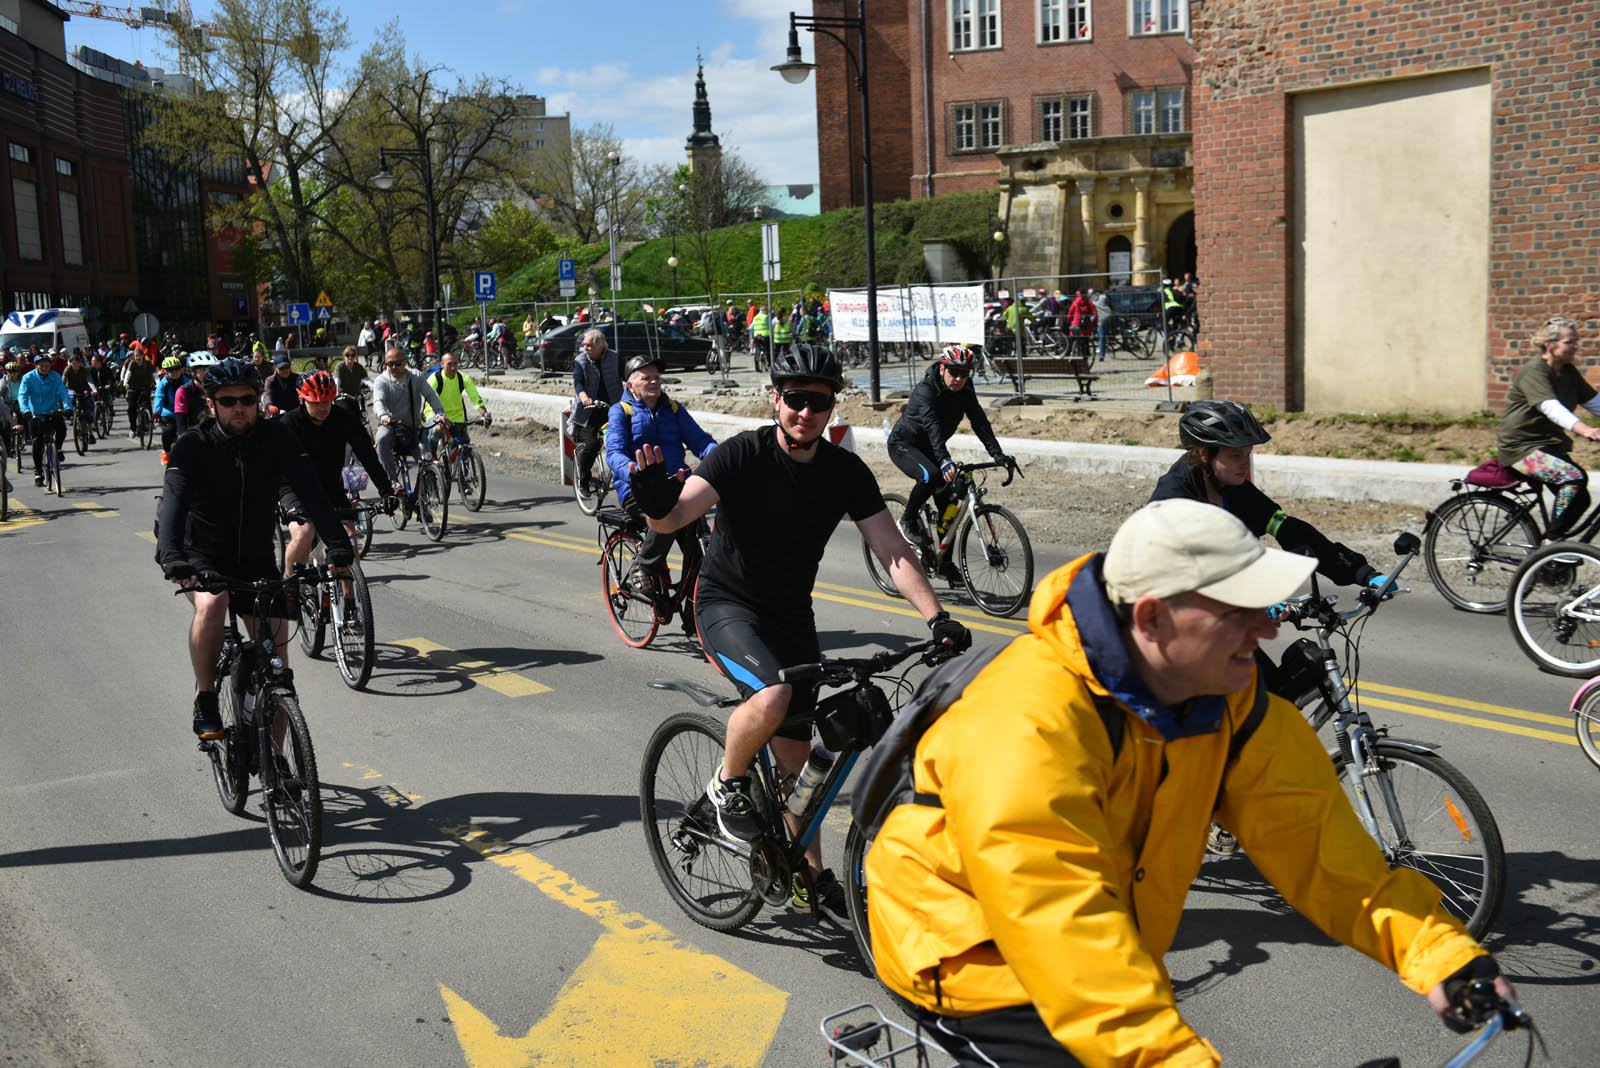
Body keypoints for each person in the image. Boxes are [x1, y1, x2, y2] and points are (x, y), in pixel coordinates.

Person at [866, 498, 1513, 1066]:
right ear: (1150, 619)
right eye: (1241, 611)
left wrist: (1440, 955)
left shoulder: (1226, 697)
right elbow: (1059, 921)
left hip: (1096, 949)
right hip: (972, 951)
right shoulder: (1028, 721)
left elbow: (1321, 849)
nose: (1268, 628)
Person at [626, 343, 972, 919]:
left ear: (832, 407)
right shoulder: (742, 455)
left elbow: (892, 550)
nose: (804, 412)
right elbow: (678, 514)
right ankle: (728, 784)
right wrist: (655, 506)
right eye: (793, 399)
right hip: (727, 606)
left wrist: (936, 617)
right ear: (775, 399)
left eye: (817, 402)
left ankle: (808, 876)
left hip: (791, 617)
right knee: (773, 694)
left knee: (800, 767)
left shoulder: (843, 472)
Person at [156, 358, 354, 739]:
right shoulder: (192, 445)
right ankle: (206, 696)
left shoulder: (276, 437)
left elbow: (312, 493)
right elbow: (173, 503)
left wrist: (338, 546)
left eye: (246, 399)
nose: (238, 408)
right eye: (227, 401)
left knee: (279, 670)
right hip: (201, 555)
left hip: (256, 556)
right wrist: (172, 556)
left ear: (256, 401)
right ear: (211, 404)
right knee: (213, 603)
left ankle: (277, 764)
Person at [1151, 400, 1388, 591]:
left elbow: (1288, 529)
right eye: (1236, 455)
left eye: (1248, 454)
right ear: (1204, 454)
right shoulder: (1172, 500)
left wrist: (1359, 572)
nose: (1245, 464)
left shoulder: (1232, 487)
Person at [886, 344, 1015, 584]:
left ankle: (944, 564)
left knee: (951, 503)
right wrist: (945, 460)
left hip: (933, 449)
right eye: (953, 372)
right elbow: (933, 427)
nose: (958, 379)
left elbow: (979, 421)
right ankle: (907, 519)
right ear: (943, 368)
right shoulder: (927, 390)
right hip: (904, 445)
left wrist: (998, 454)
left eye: (964, 374)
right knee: (931, 475)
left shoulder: (965, 390)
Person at [604, 353, 716, 627]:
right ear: (631, 385)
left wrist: (722, 461)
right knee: (666, 512)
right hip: (638, 488)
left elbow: (700, 442)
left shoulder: (674, 409)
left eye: (657, 377)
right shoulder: (622, 411)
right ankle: (643, 565)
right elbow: (614, 452)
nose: (654, 381)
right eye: (647, 377)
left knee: (704, 547)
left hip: (678, 485)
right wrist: (634, 470)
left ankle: (694, 611)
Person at [280, 370, 396, 574]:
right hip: (294, 487)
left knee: (349, 538)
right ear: (301, 399)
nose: (323, 407)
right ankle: (290, 594)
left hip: (329, 485)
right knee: (304, 533)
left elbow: (368, 456)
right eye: (315, 402)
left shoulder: (344, 419)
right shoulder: (289, 424)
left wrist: (386, 491)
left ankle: (352, 602)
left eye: (327, 401)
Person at [1496, 317, 1598, 540]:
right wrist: (1585, 430)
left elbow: (1595, 403)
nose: (1576, 347)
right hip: (1520, 448)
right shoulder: (1535, 372)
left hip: (1547, 446)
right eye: (1570, 342)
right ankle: (1551, 545)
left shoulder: (1568, 372)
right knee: (1574, 478)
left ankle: (1554, 547)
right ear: (1551, 345)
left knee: (1580, 497)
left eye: (1576, 341)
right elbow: (1551, 408)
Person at [371, 346, 446, 493]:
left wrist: (440, 413)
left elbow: (430, 395)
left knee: (427, 461)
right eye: (389, 364)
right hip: (391, 427)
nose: (393, 367)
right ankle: (393, 482)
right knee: (381, 439)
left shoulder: (416, 376)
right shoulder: (381, 381)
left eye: (397, 363)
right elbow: (378, 401)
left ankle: (427, 497)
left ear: (405, 362)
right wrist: (383, 416)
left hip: (414, 429)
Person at [571, 327, 622, 496]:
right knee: (591, 445)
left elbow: (627, 377)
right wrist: (584, 396)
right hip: (588, 413)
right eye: (584, 345)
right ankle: (583, 481)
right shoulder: (580, 361)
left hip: (613, 409)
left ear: (601, 346)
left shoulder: (614, 358)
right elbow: (578, 382)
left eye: (589, 345)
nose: (585, 348)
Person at [17, 350, 71, 486]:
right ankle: (38, 472)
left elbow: (63, 392)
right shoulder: (28, 378)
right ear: (36, 366)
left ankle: (57, 449)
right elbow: (22, 395)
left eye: (47, 365)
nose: (45, 367)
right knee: (37, 443)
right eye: (42, 365)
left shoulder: (55, 376)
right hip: (36, 414)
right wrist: (25, 410)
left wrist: (67, 407)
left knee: (62, 429)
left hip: (52, 411)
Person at [424, 351, 491, 457]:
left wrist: (485, 414)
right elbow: (430, 399)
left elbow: (475, 398)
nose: (452, 367)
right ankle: (429, 456)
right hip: (435, 413)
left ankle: (462, 469)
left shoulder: (463, 378)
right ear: (442, 364)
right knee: (437, 430)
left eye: (455, 364)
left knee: (464, 447)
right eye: (449, 364)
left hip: (457, 415)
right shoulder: (435, 378)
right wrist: (438, 417)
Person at [151, 356, 188, 462]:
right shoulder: (163, 383)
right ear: (166, 372)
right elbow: (159, 396)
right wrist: (157, 411)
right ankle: (166, 452)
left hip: (184, 411)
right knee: (168, 431)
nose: (175, 372)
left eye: (177, 369)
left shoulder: (187, 381)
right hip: (168, 412)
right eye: (171, 370)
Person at [174, 352, 217, 437]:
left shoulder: (218, 388)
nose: (209, 373)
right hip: (195, 436)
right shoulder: (183, 391)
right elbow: (181, 424)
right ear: (193, 372)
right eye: (204, 369)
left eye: (211, 369)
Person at [61, 352, 97, 444]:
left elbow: (90, 381)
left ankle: (90, 434)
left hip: (84, 390)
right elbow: (62, 383)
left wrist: (93, 389)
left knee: (88, 412)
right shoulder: (67, 370)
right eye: (73, 363)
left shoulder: (84, 370)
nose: (75, 365)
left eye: (77, 363)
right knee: (70, 398)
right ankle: (72, 414)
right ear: (70, 363)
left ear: (80, 363)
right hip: (72, 390)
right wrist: (60, 392)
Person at [121, 344, 156, 435]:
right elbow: (128, 374)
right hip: (133, 388)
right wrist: (125, 383)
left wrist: (158, 384)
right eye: (136, 356)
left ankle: (149, 422)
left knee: (147, 404)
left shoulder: (148, 364)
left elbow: (155, 375)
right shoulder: (132, 364)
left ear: (143, 356)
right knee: (131, 408)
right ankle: (132, 428)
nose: (137, 358)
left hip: (145, 387)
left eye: (139, 356)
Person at [334, 346, 370, 424]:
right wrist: (336, 390)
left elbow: (366, 380)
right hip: (343, 396)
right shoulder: (340, 366)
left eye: (352, 355)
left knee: (363, 416)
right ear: (344, 356)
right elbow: (337, 380)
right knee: (346, 414)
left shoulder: (359, 367)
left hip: (357, 397)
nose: (350, 357)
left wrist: (374, 386)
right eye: (347, 355)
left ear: (356, 356)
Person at [263, 352, 301, 417]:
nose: (285, 370)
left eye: (287, 367)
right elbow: (267, 395)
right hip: (278, 412)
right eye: (281, 368)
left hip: (296, 412)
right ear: (274, 368)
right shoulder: (270, 380)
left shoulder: (298, 378)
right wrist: (269, 405)